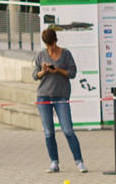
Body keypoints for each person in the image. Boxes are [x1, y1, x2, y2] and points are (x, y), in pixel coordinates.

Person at [34, 27, 85, 174]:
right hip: (44, 95)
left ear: (56, 40)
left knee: (68, 129)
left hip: (61, 96)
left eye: (52, 44)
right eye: (47, 45)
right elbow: (34, 75)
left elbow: (72, 73)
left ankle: (79, 161)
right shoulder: (41, 55)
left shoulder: (66, 54)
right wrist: (43, 71)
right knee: (48, 131)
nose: (50, 48)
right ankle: (54, 162)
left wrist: (58, 71)